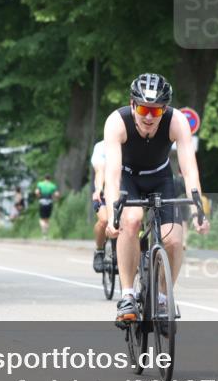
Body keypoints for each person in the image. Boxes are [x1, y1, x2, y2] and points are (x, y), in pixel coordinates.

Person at [104, 73, 210, 324]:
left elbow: (189, 169)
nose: (149, 116)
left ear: (164, 109)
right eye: (143, 108)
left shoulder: (177, 121)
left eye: (156, 110)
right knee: (131, 220)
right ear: (132, 105)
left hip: (160, 178)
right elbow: (113, 173)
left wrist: (197, 209)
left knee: (173, 239)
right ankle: (128, 295)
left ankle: (163, 297)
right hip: (128, 177)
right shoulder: (117, 122)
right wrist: (111, 215)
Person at [90, 139, 109, 273]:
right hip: (103, 188)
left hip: (125, 188)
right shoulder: (101, 146)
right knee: (104, 220)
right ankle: (99, 250)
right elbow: (99, 170)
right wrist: (99, 188)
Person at [35, 174, 60, 238]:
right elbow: (57, 194)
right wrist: (56, 199)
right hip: (49, 202)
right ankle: (45, 233)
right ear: (50, 179)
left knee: (41, 218)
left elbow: (37, 192)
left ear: (44, 178)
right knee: (47, 219)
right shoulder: (53, 186)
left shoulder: (40, 184)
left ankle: (43, 228)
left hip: (42, 202)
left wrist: (38, 197)